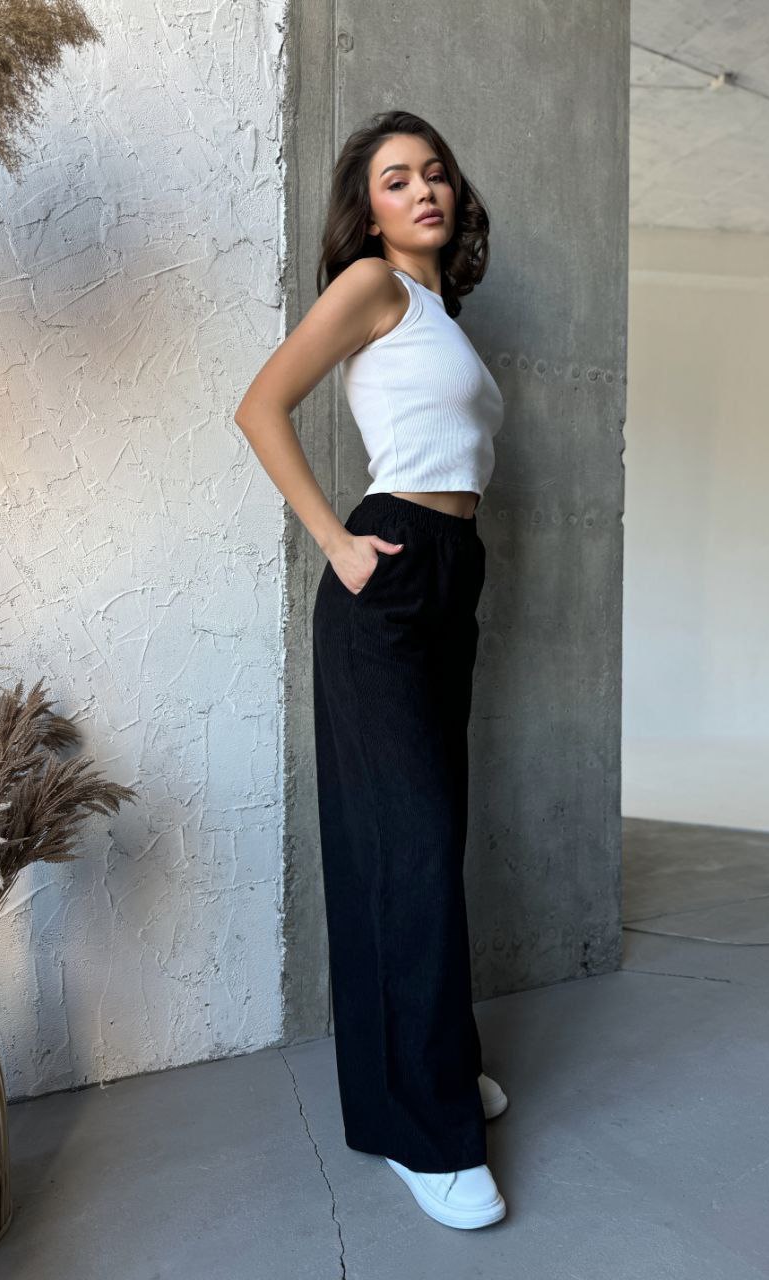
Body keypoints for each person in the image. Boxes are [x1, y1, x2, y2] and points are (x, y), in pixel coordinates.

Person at [233, 109, 508, 1230]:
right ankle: (419, 1132)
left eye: (435, 172)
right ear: (370, 208)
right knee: (404, 849)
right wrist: (337, 544)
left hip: (451, 573)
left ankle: (435, 1063)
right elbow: (260, 406)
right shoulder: (370, 285)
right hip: (387, 574)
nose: (423, 189)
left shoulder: (441, 314)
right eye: (397, 179)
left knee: (431, 836)